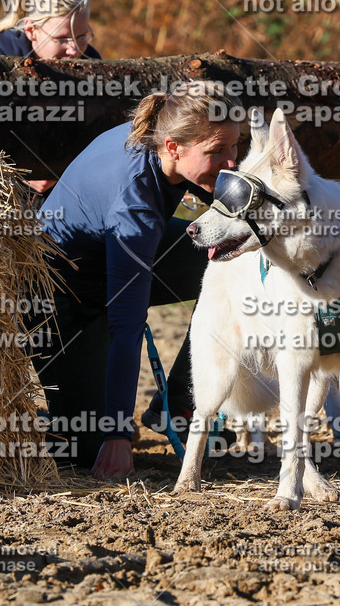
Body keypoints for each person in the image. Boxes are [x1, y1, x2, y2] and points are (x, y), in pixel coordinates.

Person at [26, 81, 241, 479]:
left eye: (235, 147)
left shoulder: (152, 132)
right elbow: (127, 326)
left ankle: (179, 400)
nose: (231, 162)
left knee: (233, 259)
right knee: (88, 450)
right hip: (62, 301)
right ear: (174, 147)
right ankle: (45, 425)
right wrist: (117, 433)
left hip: (111, 255)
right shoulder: (135, 206)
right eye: (217, 151)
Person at [0, 0, 101, 196]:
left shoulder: (94, 66)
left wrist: (63, 168)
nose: (74, 50)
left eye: (82, 36)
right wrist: (20, 169)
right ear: (31, 31)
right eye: (62, 38)